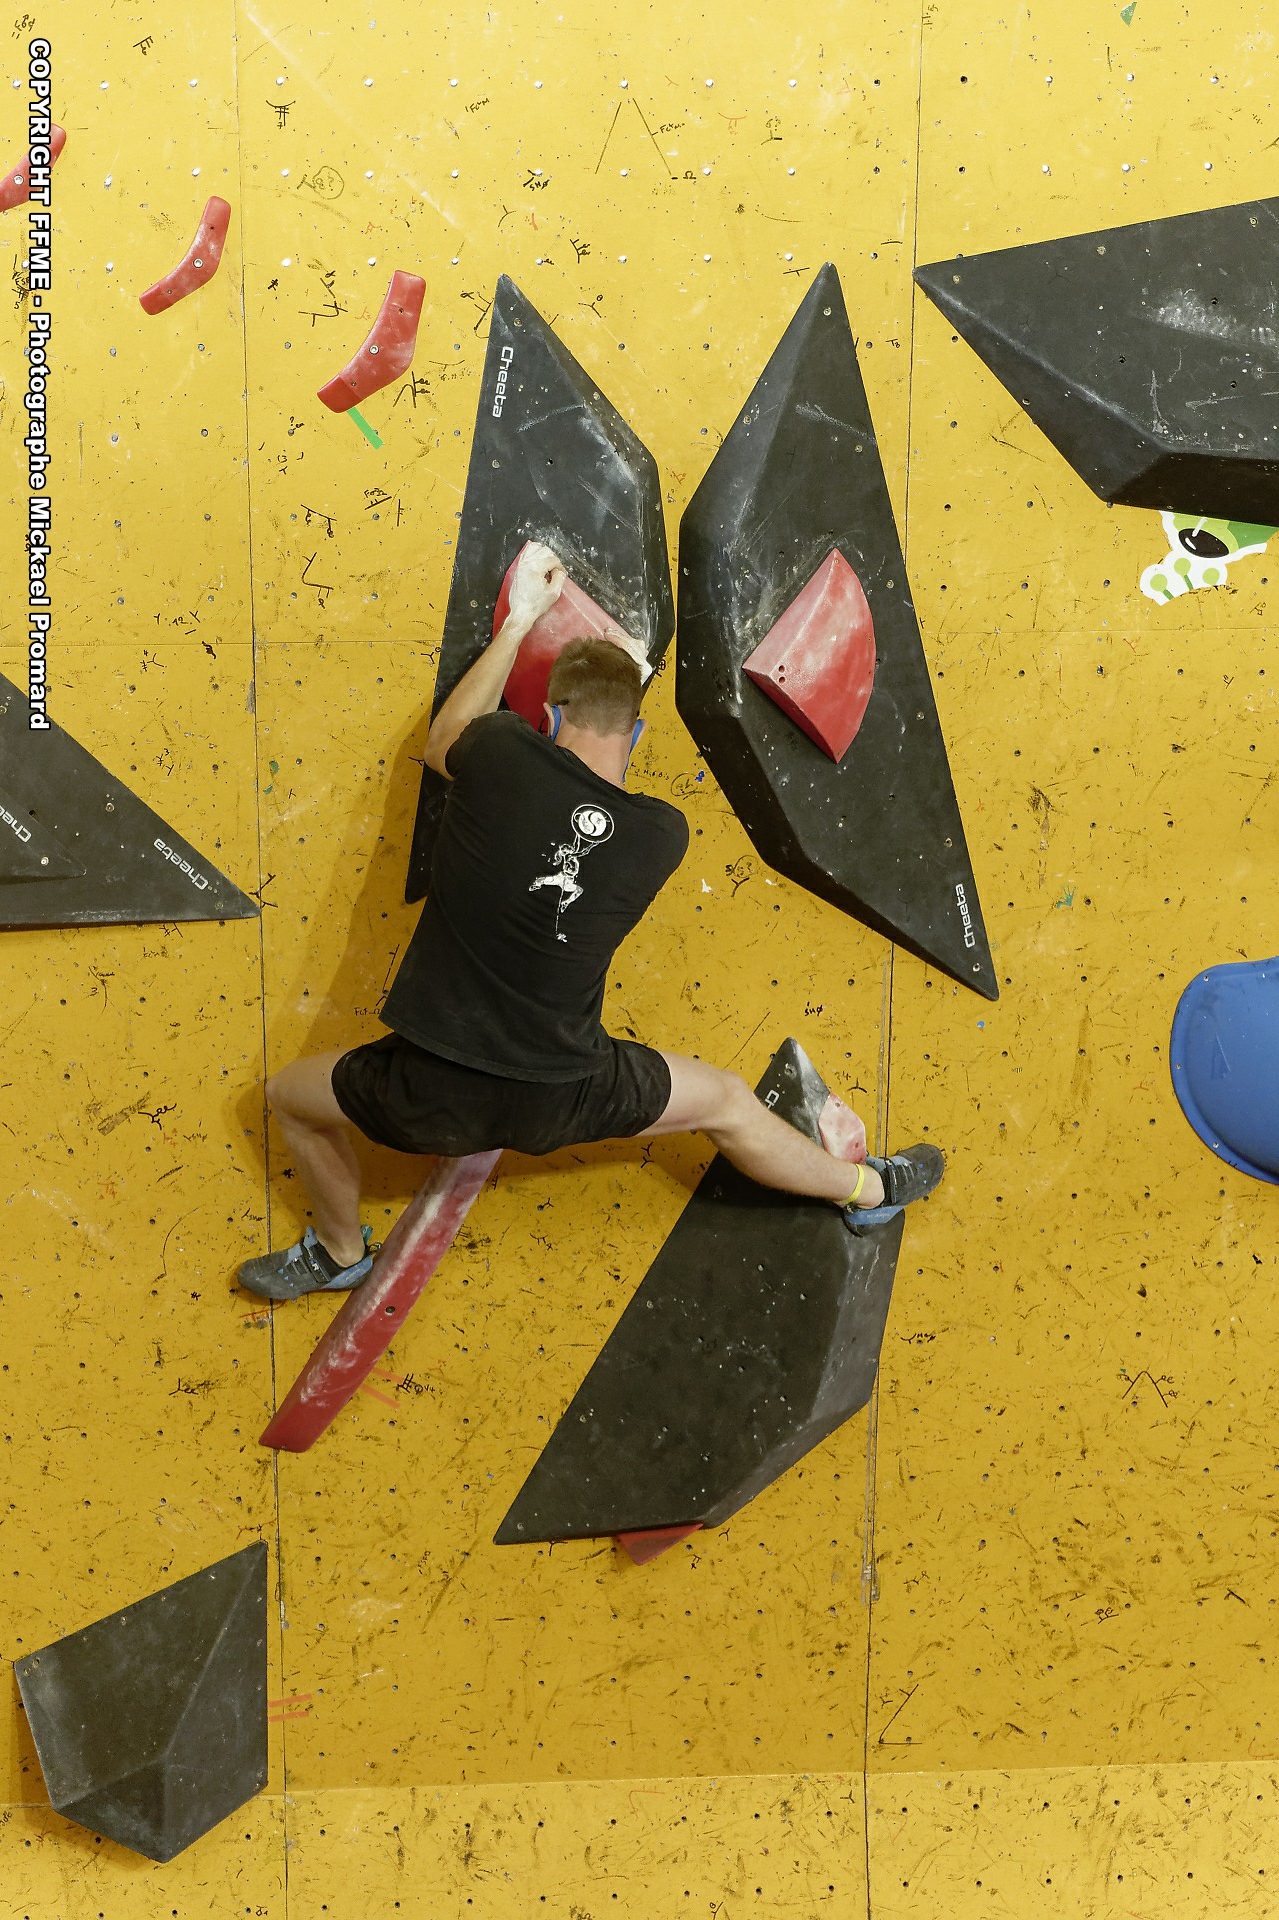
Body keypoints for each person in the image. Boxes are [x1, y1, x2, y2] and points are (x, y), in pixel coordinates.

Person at [239, 543, 944, 1300]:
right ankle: (870, 1192)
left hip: (428, 1092)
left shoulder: (501, 754)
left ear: (548, 718)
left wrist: (518, 625)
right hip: (564, 1094)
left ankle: (341, 1253)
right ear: (635, 736)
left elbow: (445, 741)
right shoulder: (661, 834)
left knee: (289, 1098)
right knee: (727, 1103)